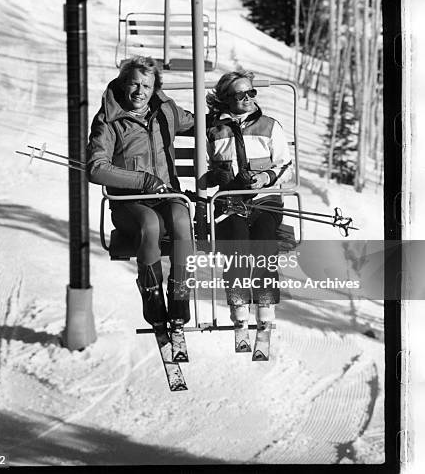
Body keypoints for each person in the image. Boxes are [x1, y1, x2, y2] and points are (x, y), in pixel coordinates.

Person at [86, 56, 194, 343]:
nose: (139, 91)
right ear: (123, 84)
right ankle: (153, 298)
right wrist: (142, 180)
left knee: (182, 220)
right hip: (129, 203)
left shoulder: (165, 111)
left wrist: (227, 116)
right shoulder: (109, 120)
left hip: (166, 195)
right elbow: (96, 168)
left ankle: (180, 295)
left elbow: (196, 124)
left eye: (146, 85)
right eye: (134, 83)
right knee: (150, 225)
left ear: (155, 87)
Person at [206, 70, 293, 356]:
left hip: (264, 201)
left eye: (251, 93)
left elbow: (284, 163)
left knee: (264, 245)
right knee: (237, 246)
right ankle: (240, 310)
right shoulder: (214, 129)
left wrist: (266, 177)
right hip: (231, 202)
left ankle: (265, 310)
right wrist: (217, 176)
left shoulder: (269, 125)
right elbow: (206, 169)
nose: (247, 98)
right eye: (239, 94)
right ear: (225, 99)